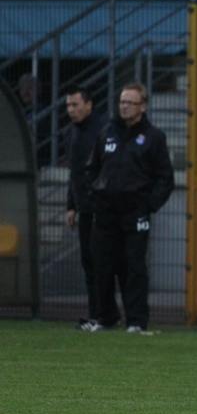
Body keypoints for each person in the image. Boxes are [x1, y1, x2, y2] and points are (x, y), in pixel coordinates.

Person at [82, 83, 174, 333]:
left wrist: (149, 205)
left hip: (135, 212)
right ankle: (106, 317)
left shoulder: (154, 137)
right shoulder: (107, 132)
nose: (124, 107)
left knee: (134, 266)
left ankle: (136, 321)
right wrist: (95, 196)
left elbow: (165, 178)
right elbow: (92, 168)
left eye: (130, 103)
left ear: (142, 107)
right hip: (106, 211)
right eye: (122, 102)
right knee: (102, 265)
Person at [64, 87, 103, 327]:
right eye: (68, 106)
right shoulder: (70, 133)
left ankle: (107, 313)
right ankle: (95, 314)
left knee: (103, 262)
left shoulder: (103, 130)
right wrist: (71, 205)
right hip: (84, 207)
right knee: (88, 261)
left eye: (75, 105)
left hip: (102, 207)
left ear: (89, 105)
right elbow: (74, 172)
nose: (71, 110)